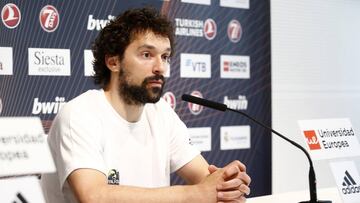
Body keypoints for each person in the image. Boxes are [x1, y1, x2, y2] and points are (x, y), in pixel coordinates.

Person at [40, 7, 251, 203]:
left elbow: (206, 178)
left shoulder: (161, 113)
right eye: (147, 55)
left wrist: (227, 184)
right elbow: (95, 196)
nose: (160, 67)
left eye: (165, 56)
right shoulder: (79, 114)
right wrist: (197, 193)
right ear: (113, 62)